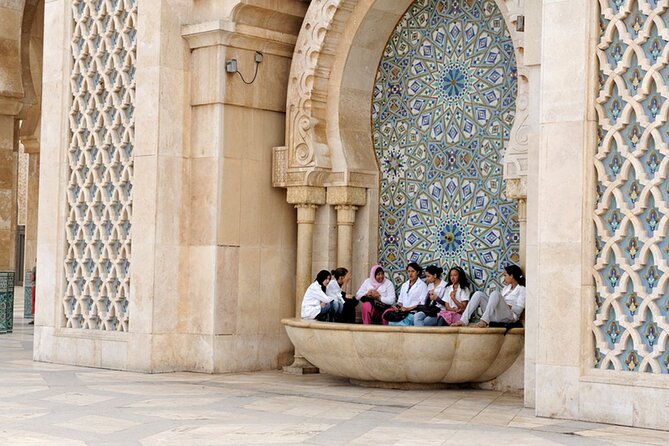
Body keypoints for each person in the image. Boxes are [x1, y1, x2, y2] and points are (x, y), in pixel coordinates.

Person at [452, 264, 526, 328]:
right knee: (478, 294)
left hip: (510, 316)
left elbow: (518, 310)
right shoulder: (506, 288)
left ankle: (484, 320)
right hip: (496, 315)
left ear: (511, 276)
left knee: (495, 293)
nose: (504, 277)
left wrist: (506, 305)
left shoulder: (522, 289)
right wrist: (500, 304)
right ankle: (463, 320)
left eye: (505, 275)